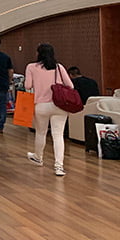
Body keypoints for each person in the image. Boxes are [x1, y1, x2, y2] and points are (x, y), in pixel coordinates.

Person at [25, 44, 73, 176]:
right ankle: (59, 167)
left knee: (41, 133)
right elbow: (70, 85)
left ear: (38, 53)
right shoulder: (59, 67)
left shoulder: (31, 67)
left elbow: (28, 85)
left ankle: (38, 158)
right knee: (58, 135)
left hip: (41, 105)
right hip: (60, 105)